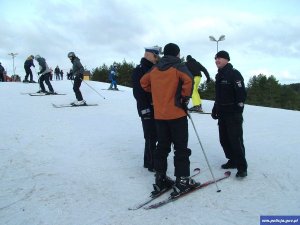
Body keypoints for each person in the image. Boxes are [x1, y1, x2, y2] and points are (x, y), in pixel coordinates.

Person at [140, 43, 199, 196]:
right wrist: (184, 98)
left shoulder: (156, 67)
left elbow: (143, 83)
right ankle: (183, 180)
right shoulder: (178, 66)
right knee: (181, 148)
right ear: (177, 54)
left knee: (162, 147)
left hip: (160, 115)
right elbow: (189, 80)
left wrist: (157, 93)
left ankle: (160, 179)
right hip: (177, 114)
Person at [211, 50, 248, 178]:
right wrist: (215, 108)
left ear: (227, 59)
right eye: (215, 58)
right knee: (224, 139)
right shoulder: (219, 75)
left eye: (219, 58)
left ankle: (242, 167)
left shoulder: (234, 74)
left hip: (233, 114)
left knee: (235, 140)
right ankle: (232, 160)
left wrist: (238, 110)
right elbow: (219, 95)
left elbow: (241, 93)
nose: (217, 60)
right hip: (222, 113)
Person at [132, 45, 162, 172]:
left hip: (157, 108)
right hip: (147, 108)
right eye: (156, 55)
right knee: (150, 136)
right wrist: (145, 109)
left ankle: (149, 160)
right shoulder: (140, 70)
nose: (158, 58)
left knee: (156, 135)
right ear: (150, 55)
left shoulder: (154, 68)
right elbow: (138, 92)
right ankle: (151, 163)